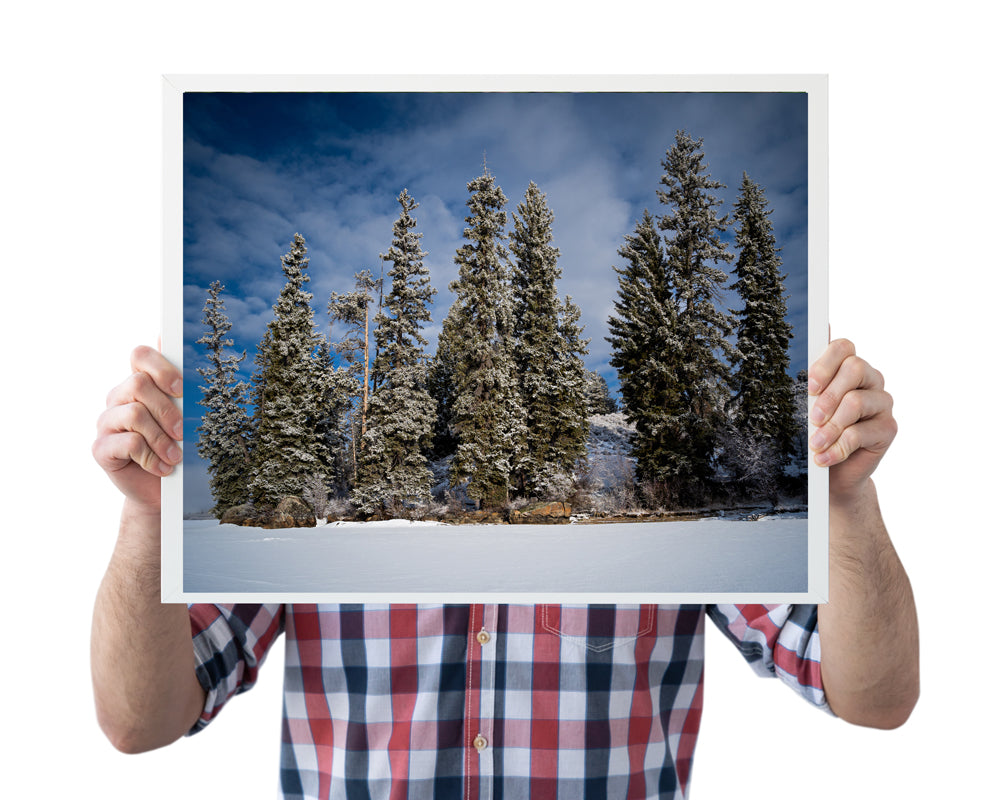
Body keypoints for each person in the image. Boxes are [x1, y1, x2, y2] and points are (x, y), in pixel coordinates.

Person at [91, 339, 918, 799]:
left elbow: (874, 696)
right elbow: (141, 719)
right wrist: (145, 515)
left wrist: (846, 502)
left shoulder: (650, 534)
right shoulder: (322, 538)